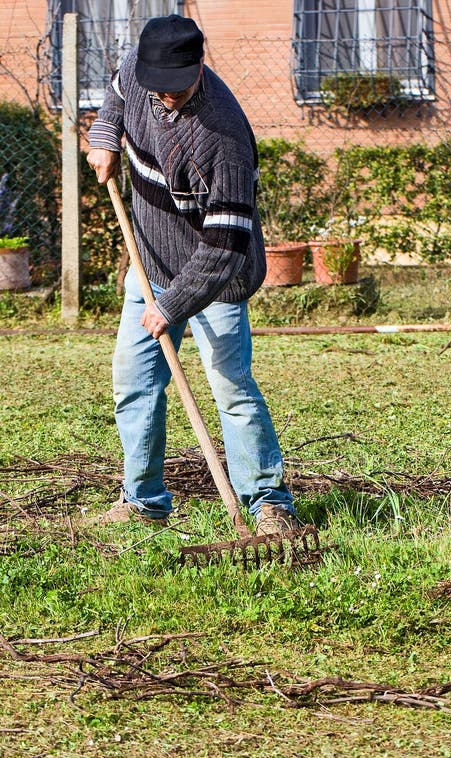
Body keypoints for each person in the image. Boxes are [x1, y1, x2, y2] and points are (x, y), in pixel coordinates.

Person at [87, 14, 297, 535]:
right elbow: (116, 95)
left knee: (231, 387)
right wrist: (105, 138)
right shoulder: (142, 70)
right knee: (134, 383)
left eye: (175, 91)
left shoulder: (222, 136)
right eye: (156, 88)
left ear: (199, 66)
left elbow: (225, 246)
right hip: (150, 264)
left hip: (216, 280)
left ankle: (268, 502)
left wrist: (172, 306)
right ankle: (144, 501)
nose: (163, 99)